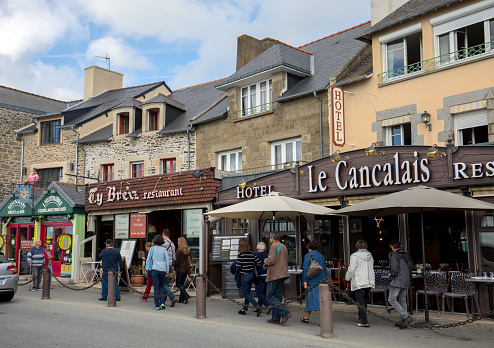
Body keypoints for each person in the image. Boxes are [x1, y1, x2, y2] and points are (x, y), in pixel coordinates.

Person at [345, 240, 375, 327]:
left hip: (359, 281)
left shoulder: (354, 256)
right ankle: (361, 316)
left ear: (357, 247)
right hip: (368, 281)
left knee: (360, 301)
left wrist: (347, 278)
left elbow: (352, 268)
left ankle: (364, 321)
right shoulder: (370, 256)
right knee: (364, 300)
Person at [264, 232, 292, 325]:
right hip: (282, 274)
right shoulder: (283, 246)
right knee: (277, 296)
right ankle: (275, 318)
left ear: (272, 238)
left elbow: (271, 260)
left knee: (270, 295)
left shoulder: (273, 246)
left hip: (275, 274)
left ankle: (284, 312)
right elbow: (287, 260)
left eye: (270, 237)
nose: (270, 239)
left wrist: (265, 260)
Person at [388, 239, 413, 328]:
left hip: (397, 280)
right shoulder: (406, 255)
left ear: (393, 247)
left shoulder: (395, 255)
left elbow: (394, 269)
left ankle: (405, 317)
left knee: (391, 299)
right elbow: (410, 269)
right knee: (403, 300)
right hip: (406, 280)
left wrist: (390, 278)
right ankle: (403, 320)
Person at [301, 241, 327, 323]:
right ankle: (307, 317)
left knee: (310, 299)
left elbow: (305, 269)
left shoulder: (308, 255)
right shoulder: (321, 256)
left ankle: (308, 317)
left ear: (309, 247)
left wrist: (305, 281)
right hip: (321, 280)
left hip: (312, 280)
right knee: (321, 299)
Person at [236, 238, 262, 316]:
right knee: (248, 292)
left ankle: (257, 306)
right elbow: (259, 263)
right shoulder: (252, 254)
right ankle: (244, 309)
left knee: (245, 294)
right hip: (251, 275)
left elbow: (238, 266)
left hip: (244, 275)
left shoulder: (241, 255)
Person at [147, 235, 170, 310]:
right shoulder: (164, 250)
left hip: (155, 269)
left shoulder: (152, 248)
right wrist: (167, 271)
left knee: (156, 287)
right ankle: (162, 302)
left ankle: (157, 305)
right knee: (161, 286)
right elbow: (167, 261)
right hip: (163, 269)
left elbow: (149, 258)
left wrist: (147, 268)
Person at [255, 242, 272, 314]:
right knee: (264, 292)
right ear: (265, 248)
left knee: (258, 292)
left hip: (259, 275)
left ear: (257, 248)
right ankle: (259, 306)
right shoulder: (268, 255)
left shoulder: (255, 255)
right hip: (267, 275)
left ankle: (268, 305)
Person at [162, 229, 177, 307]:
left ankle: (172, 297)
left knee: (163, 283)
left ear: (163, 234)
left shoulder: (164, 243)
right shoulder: (172, 244)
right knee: (166, 283)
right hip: (170, 264)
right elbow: (174, 256)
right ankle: (163, 300)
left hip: (165, 264)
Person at [175, 237, 191, 304]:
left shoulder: (179, 250)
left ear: (180, 242)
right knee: (182, 284)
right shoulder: (187, 250)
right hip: (186, 269)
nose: (177, 243)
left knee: (178, 284)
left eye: (178, 241)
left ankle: (185, 296)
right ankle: (181, 299)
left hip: (180, 269)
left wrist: (175, 268)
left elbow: (177, 261)